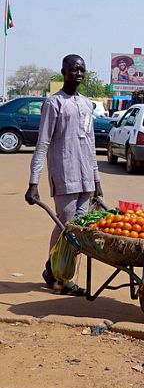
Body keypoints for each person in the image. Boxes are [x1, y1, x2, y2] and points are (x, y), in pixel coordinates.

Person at [25, 55, 103, 296]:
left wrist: (97, 180)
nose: (78, 73)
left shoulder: (87, 104)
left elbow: (90, 144)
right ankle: (57, 274)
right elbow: (43, 144)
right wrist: (33, 182)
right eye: (73, 69)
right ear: (63, 72)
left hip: (86, 178)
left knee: (78, 231)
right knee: (65, 225)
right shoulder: (54, 103)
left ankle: (57, 271)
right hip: (64, 174)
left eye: (82, 70)